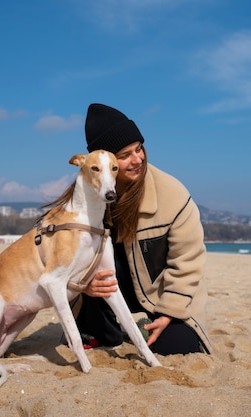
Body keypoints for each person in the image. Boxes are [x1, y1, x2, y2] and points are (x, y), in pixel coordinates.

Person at [64, 103, 212, 355]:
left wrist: (169, 313)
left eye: (139, 148)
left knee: (179, 348)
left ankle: (129, 325)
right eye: (124, 155)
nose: (137, 159)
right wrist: (82, 287)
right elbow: (61, 257)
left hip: (160, 298)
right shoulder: (83, 200)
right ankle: (107, 327)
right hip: (105, 297)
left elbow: (188, 261)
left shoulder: (173, 194)